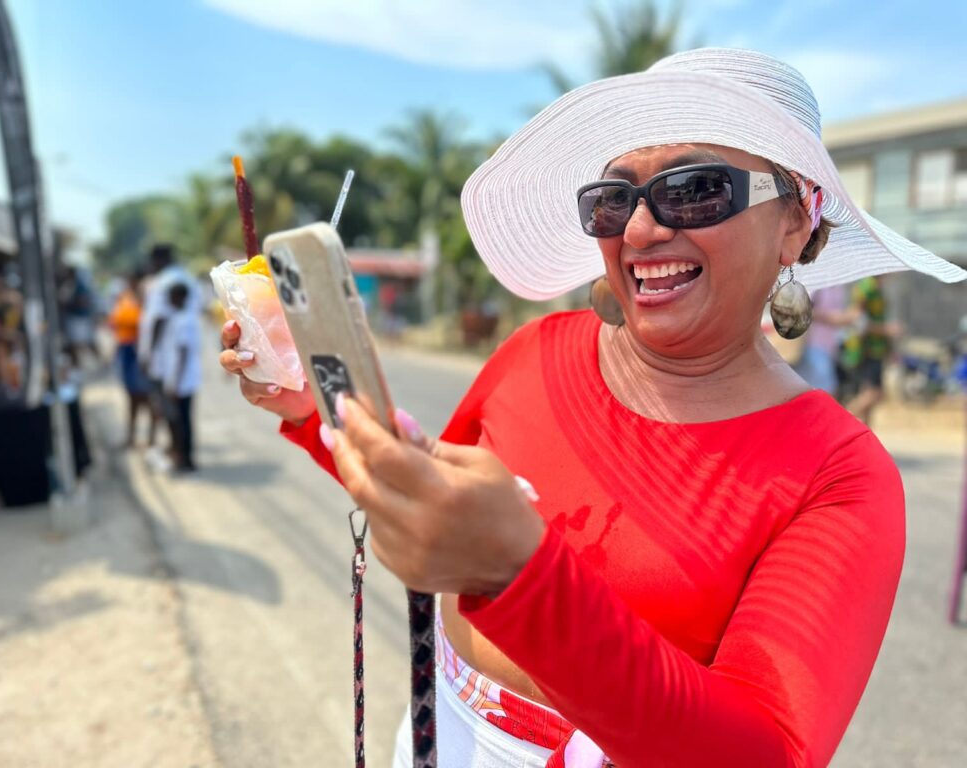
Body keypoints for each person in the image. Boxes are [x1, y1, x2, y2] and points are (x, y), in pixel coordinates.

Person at [220, 49, 965, 767]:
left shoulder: (839, 475)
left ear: (797, 219)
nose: (641, 230)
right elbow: (425, 494)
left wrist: (525, 578)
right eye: (614, 200)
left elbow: (767, 751)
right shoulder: (540, 347)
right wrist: (310, 406)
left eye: (695, 189)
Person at [138, 244, 198, 467]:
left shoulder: (164, 282)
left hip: (167, 365)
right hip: (174, 364)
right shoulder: (185, 277)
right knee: (178, 415)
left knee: (175, 415)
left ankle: (182, 455)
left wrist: (147, 355)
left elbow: (158, 322)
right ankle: (179, 452)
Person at [841, 275, 896, 425]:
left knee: (868, 396)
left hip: (876, 348)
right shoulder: (866, 288)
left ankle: (865, 436)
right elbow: (858, 320)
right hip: (865, 349)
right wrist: (885, 330)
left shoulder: (876, 288)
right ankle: (838, 420)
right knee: (874, 393)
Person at [160, 282, 201, 472]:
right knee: (181, 420)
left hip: (182, 380)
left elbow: (183, 352)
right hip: (180, 379)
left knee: (181, 421)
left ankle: (185, 459)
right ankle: (183, 457)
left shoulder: (185, 320)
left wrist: (175, 383)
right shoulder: (178, 317)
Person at [108, 270, 150, 447]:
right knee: (131, 395)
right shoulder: (123, 298)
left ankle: (151, 437)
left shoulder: (146, 301)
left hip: (138, 350)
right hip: (125, 348)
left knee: (145, 395)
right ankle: (131, 436)